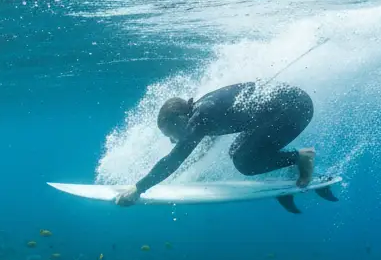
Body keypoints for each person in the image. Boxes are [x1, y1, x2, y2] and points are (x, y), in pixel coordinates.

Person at [115, 82, 315, 205]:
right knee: (237, 151)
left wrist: (139, 188)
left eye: (171, 133)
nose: (172, 140)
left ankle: (302, 157)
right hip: (286, 105)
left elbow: (175, 158)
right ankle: (293, 163)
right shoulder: (199, 112)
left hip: (294, 109)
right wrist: (181, 177)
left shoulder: (201, 118)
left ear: (180, 120)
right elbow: (193, 152)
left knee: (244, 162)